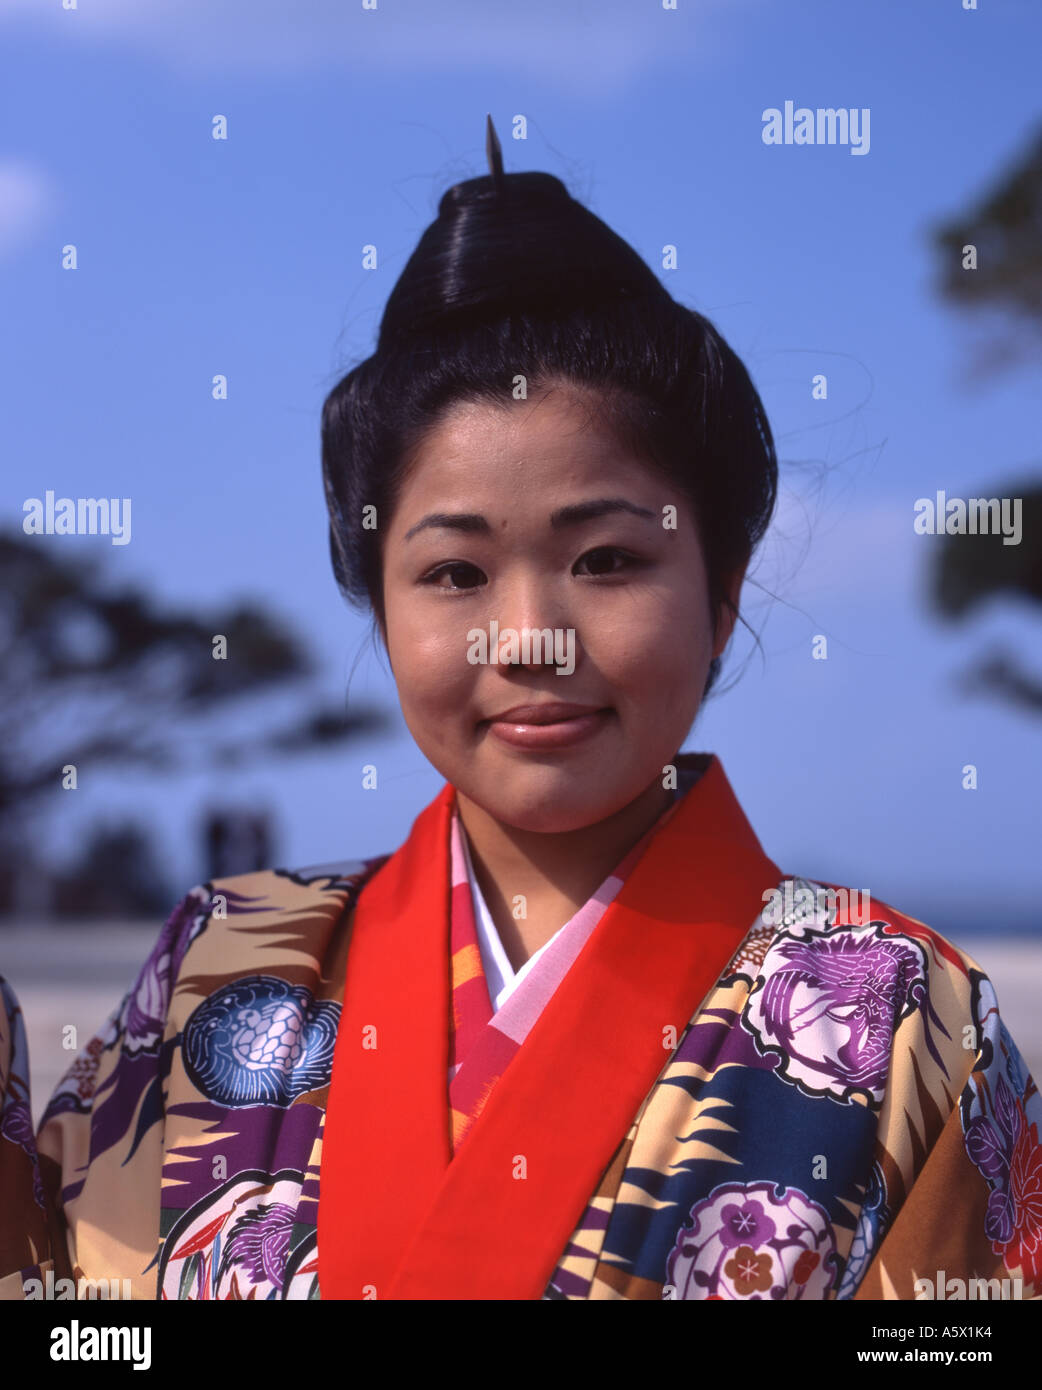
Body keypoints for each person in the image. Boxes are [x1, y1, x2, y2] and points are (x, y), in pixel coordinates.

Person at [1, 122, 1039, 1302]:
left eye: (604, 560)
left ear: (724, 588)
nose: (531, 636)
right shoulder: (220, 960)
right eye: (454, 573)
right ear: (379, 605)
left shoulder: (904, 1016)